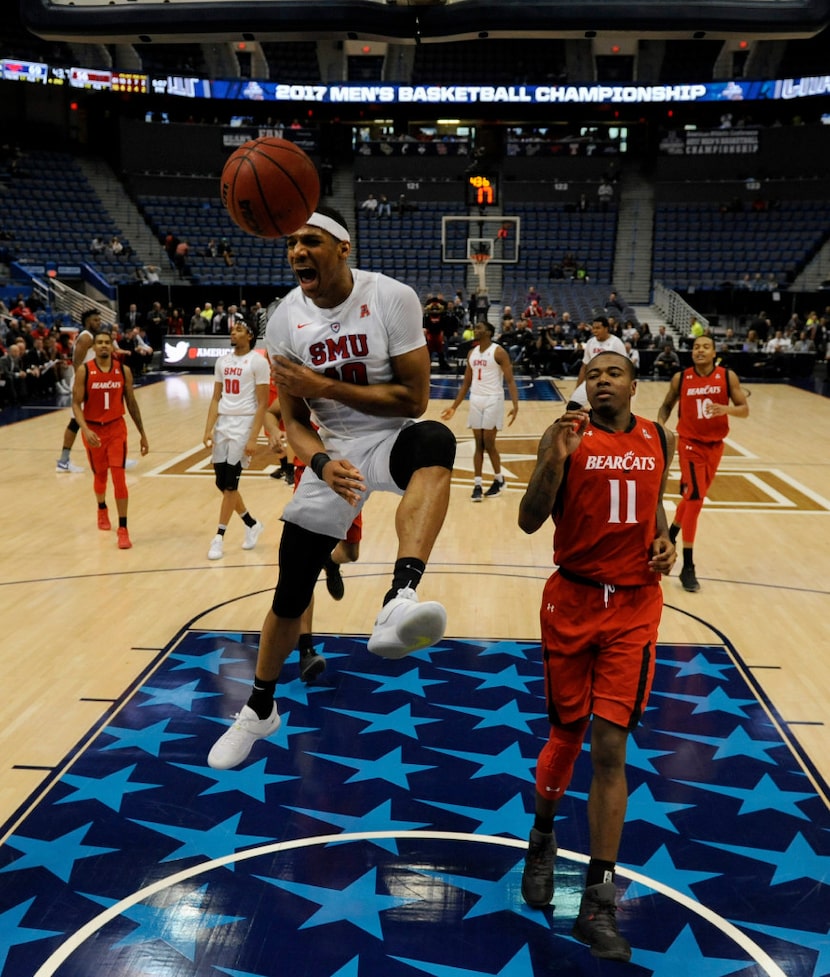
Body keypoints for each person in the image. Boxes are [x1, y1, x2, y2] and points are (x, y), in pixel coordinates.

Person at [206, 206, 455, 771]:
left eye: (310, 241)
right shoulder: (283, 321)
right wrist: (318, 462)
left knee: (437, 440)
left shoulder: (391, 296)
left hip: (393, 435)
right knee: (290, 590)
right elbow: (291, 419)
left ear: (343, 248)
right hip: (332, 453)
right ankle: (259, 710)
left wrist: (323, 384)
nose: (297, 252)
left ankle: (400, 599)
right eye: (291, 243)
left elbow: (414, 400)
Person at [517, 351, 676, 961]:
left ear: (635, 384)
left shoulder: (657, 437)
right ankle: (542, 836)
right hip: (573, 602)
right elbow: (531, 520)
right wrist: (552, 462)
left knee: (611, 747)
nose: (604, 379)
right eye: (595, 373)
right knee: (567, 734)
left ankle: (597, 903)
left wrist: (664, 543)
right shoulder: (564, 438)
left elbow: (652, 512)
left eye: (615, 372)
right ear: (583, 384)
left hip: (635, 606)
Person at [264, 398, 361, 683]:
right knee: (302, 571)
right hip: (310, 474)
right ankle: (306, 649)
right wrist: (273, 431)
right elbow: (271, 413)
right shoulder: (305, 379)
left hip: (352, 473)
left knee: (352, 552)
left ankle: (331, 563)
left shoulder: (349, 381)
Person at [657, 334, 749, 593]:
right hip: (689, 444)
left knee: (691, 496)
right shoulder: (682, 378)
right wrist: (660, 428)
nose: (700, 351)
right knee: (695, 499)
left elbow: (744, 409)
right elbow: (666, 406)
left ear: (713, 352)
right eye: (696, 347)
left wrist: (726, 410)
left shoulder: (727, 376)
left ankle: (672, 531)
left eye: (705, 347)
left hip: (715, 446)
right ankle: (688, 565)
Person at [72, 329, 149, 549]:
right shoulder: (84, 371)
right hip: (94, 430)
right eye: (100, 342)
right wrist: (85, 429)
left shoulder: (123, 371)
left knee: (119, 478)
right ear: (94, 347)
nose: (104, 346)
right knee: (100, 477)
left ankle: (123, 529)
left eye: (107, 342)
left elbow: (132, 403)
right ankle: (102, 508)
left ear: (112, 346)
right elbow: (76, 404)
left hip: (116, 429)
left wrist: (143, 434)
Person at [203, 318, 269, 561]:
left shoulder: (258, 362)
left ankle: (218, 537)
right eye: (233, 329)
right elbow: (215, 398)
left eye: (239, 329)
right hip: (224, 424)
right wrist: (208, 428)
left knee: (231, 485)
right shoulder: (222, 361)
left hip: (244, 424)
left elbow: (263, 403)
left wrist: (253, 437)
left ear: (249, 336)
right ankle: (251, 523)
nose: (234, 332)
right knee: (222, 483)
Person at [441, 320, 519, 500]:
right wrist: (454, 406)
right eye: (475, 327)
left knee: (488, 443)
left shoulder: (498, 352)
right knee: (478, 443)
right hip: (475, 399)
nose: (475, 330)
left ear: (489, 332)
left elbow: (510, 380)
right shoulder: (472, 353)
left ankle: (499, 479)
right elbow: (466, 383)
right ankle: (477, 485)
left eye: (479, 328)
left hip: (494, 399)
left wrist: (515, 405)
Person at [56, 309, 108, 472]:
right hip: (83, 383)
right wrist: (83, 385)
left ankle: (109, 455)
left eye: (99, 320)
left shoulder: (94, 338)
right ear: (87, 322)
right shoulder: (85, 337)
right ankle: (63, 461)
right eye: (95, 320)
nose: (98, 322)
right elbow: (77, 363)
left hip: (93, 382)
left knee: (103, 419)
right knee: (76, 422)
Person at [566, 316, 627, 410]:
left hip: (610, 382)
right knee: (572, 407)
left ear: (606, 329)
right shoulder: (590, 342)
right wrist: (577, 388)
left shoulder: (616, 343)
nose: (594, 331)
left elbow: (625, 367)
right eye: (593, 328)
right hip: (592, 379)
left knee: (606, 409)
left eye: (598, 328)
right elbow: (584, 367)